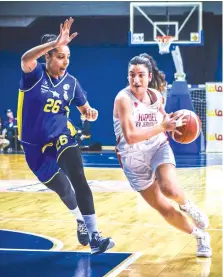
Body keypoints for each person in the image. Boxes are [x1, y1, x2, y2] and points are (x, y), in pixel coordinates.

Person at [17, 17, 114, 254]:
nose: (65, 61)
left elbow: (84, 110)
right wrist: (53, 43)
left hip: (61, 136)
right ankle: (79, 219)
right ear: (48, 57)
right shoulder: (34, 75)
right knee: (65, 190)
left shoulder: (72, 83)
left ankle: (95, 237)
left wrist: (90, 113)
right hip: (33, 147)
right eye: (60, 56)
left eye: (68, 57)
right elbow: (25, 59)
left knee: (79, 177)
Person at [113, 53, 211, 258]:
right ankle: (200, 236)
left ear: (149, 77)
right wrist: (162, 126)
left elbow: (162, 118)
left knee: (169, 188)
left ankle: (188, 206)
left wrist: (172, 122)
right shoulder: (123, 99)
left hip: (157, 147)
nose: (136, 80)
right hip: (133, 159)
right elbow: (130, 137)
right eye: (131, 75)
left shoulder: (156, 96)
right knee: (165, 209)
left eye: (141, 75)